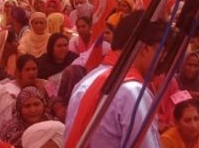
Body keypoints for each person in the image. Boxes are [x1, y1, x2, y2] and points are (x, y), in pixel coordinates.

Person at [65, 13, 167, 147]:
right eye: (160, 52)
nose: (162, 61)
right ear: (145, 49)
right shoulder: (133, 92)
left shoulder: (87, 80)